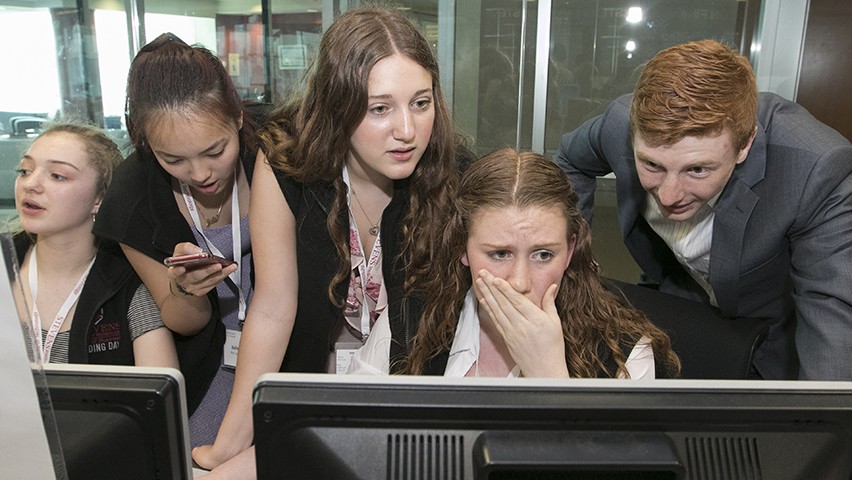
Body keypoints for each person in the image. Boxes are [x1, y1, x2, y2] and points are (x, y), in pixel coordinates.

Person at [192, 6, 468, 476]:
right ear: (339, 105)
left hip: (409, 392)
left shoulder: (454, 172)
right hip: (311, 385)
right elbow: (274, 306)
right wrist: (231, 440)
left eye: (420, 103)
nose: (407, 131)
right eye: (380, 108)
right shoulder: (286, 162)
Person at [554, 39, 852, 380]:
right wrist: (572, 261)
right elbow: (570, 161)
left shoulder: (815, 169)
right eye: (652, 164)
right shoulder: (619, 125)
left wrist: (822, 426)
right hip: (675, 307)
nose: (668, 196)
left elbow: (834, 319)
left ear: (745, 145)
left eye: (697, 170)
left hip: (769, 334)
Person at [350, 148, 680, 379]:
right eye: (499, 254)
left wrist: (549, 375)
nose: (519, 282)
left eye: (543, 255)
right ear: (463, 249)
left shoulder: (622, 351)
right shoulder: (411, 319)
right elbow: (349, 434)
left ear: (570, 250)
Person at [93, 33, 261, 447]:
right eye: (174, 160)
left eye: (214, 151)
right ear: (148, 145)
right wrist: (185, 290)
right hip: (206, 365)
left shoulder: (277, 154)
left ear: (238, 116)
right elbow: (185, 320)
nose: (200, 173)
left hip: (293, 344)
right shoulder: (131, 199)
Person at [11, 122, 178, 368]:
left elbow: (159, 397)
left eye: (58, 175)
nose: (30, 184)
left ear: (100, 198)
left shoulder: (130, 282)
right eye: (25, 170)